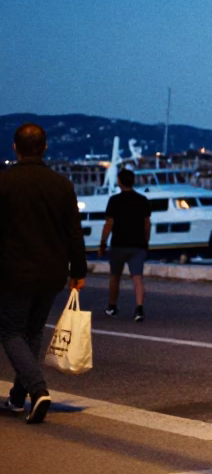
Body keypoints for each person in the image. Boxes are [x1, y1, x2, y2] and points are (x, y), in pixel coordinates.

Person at [0, 123, 88, 424]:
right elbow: (74, 233)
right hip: (52, 271)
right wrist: (79, 270)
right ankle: (16, 397)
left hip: (13, 271)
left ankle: (38, 391)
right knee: (33, 331)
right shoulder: (62, 185)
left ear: (15, 148)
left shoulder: (4, 183)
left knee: (10, 331)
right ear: (45, 146)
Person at [98, 168, 151, 322]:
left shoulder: (114, 200)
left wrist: (102, 243)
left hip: (118, 244)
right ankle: (139, 308)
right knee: (137, 277)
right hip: (138, 244)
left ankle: (112, 306)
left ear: (119, 182)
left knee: (115, 276)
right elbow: (147, 224)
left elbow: (109, 223)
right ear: (133, 181)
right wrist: (146, 241)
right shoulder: (143, 200)